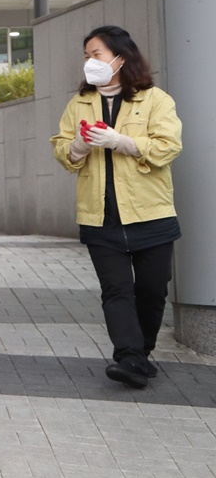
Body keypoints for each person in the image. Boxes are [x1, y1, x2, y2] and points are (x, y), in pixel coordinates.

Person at [50, 25, 182, 389]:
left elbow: (168, 146)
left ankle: (141, 353)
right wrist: (77, 147)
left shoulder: (155, 99)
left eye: (97, 54)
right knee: (116, 290)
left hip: (151, 214)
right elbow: (62, 149)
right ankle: (129, 356)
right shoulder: (79, 103)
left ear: (121, 58)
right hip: (100, 217)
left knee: (153, 291)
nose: (89, 62)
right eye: (87, 55)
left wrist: (120, 141)